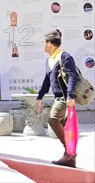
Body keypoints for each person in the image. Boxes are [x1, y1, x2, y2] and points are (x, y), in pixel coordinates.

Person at [35, 29, 79, 168]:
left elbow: (73, 76)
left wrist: (70, 95)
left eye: (43, 41)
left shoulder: (64, 56)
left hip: (65, 98)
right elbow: (47, 81)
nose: (42, 44)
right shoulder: (49, 59)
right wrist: (39, 97)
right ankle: (70, 157)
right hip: (58, 98)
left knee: (53, 120)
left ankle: (70, 153)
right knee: (66, 127)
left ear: (50, 43)